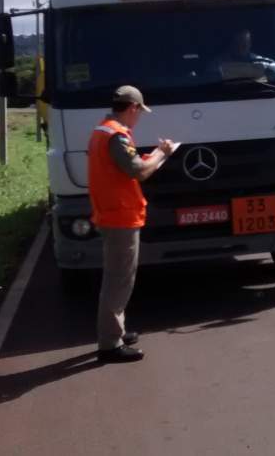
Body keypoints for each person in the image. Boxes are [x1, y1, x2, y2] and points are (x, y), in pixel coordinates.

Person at [87, 85, 175, 363]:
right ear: (133, 108)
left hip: (113, 213)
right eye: (140, 111)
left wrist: (151, 157)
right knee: (118, 280)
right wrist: (162, 154)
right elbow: (138, 172)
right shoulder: (116, 136)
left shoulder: (104, 131)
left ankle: (116, 330)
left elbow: (127, 168)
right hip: (120, 216)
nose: (140, 117)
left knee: (120, 277)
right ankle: (109, 344)